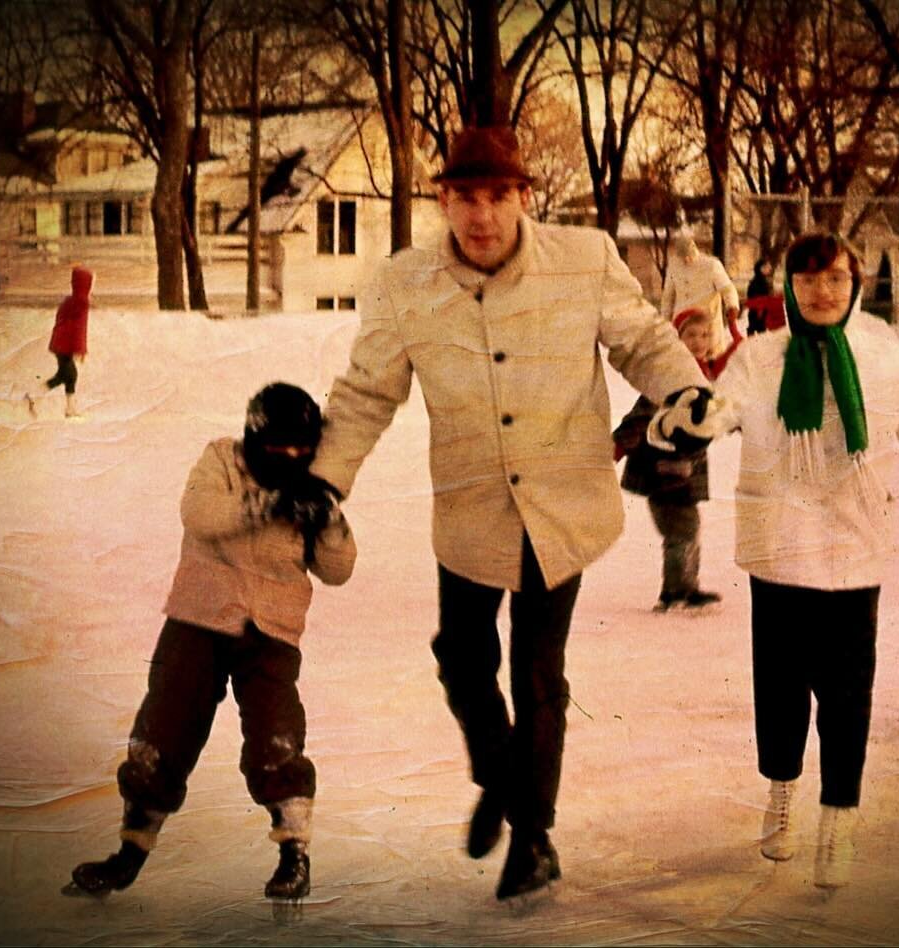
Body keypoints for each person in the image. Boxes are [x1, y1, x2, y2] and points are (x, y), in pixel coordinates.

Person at [302, 125, 713, 900]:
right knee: (461, 658)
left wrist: (684, 389)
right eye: (464, 197)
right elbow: (365, 393)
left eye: (497, 196)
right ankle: (500, 775)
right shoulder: (404, 282)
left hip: (561, 503)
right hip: (471, 509)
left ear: (525, 197)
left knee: (536, 673)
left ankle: (534, 837)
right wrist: (327, 482)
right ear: (443, 201)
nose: (480, 215)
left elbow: (642, 341)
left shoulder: (584, 259)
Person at [685, 232, 899, 888]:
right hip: (777, 552)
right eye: (807, 282)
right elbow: (712, 417)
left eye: (833, 278)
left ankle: (838, 816)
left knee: (846, 697)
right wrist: (680, 417)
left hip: (854, 552)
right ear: (789, 289)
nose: (821, 292)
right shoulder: (761, 360)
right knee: (778, 690)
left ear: (854, 282)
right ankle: (781, 796)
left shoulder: (884, 360)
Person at [65, 383, 356, 901]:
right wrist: (266, 505)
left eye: (300, 451)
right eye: (279, 449)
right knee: (164, 731)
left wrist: (330, 523)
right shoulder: (221, 459)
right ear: (255, 437)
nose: (290, 460)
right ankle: (131, 849)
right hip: (198, 620)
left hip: (271, 632)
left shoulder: (312, 487)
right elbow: (200, 514)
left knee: (277, 738)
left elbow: (338, 571)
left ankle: (294, 853)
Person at [613, 307, 738, 611]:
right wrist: (614, 451)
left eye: (705, 334)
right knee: (681, 531)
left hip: (685, 471)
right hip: (662, 472)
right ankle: (674, 593)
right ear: (676, 339)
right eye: (691, 335)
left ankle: (686, 588)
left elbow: (718, 409)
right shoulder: (667, 379)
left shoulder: (702, 377)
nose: (699, 341)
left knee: (687, 529)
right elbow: (638, 420)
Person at [661, 228, 741, 349]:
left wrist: (732, 306)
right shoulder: (674, 267)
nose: (686, 259)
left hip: (707, 322)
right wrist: (665, 322)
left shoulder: (711, 265)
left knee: (710, 357)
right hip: (682, 324)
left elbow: (727, 289)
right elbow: (668, 298)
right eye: (683, 256)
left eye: (688, 255)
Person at [31, 265, 93, 418]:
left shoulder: (70, 301)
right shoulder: (81, 303)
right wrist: (80, 349)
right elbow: (80, 329)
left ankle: (65, 407)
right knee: (69, 375)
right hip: (65, 345)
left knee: (65, 375)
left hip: (60, 344)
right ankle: (36, 398)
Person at [744, 257, 780, 336]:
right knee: (757, 332)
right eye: (767, 266)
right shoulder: (757, 282)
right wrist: (760, 310)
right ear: (761, 268)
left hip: (761, 313)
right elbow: (755, 298)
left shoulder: (763, 280)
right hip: (758, 313)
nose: (770, 268)